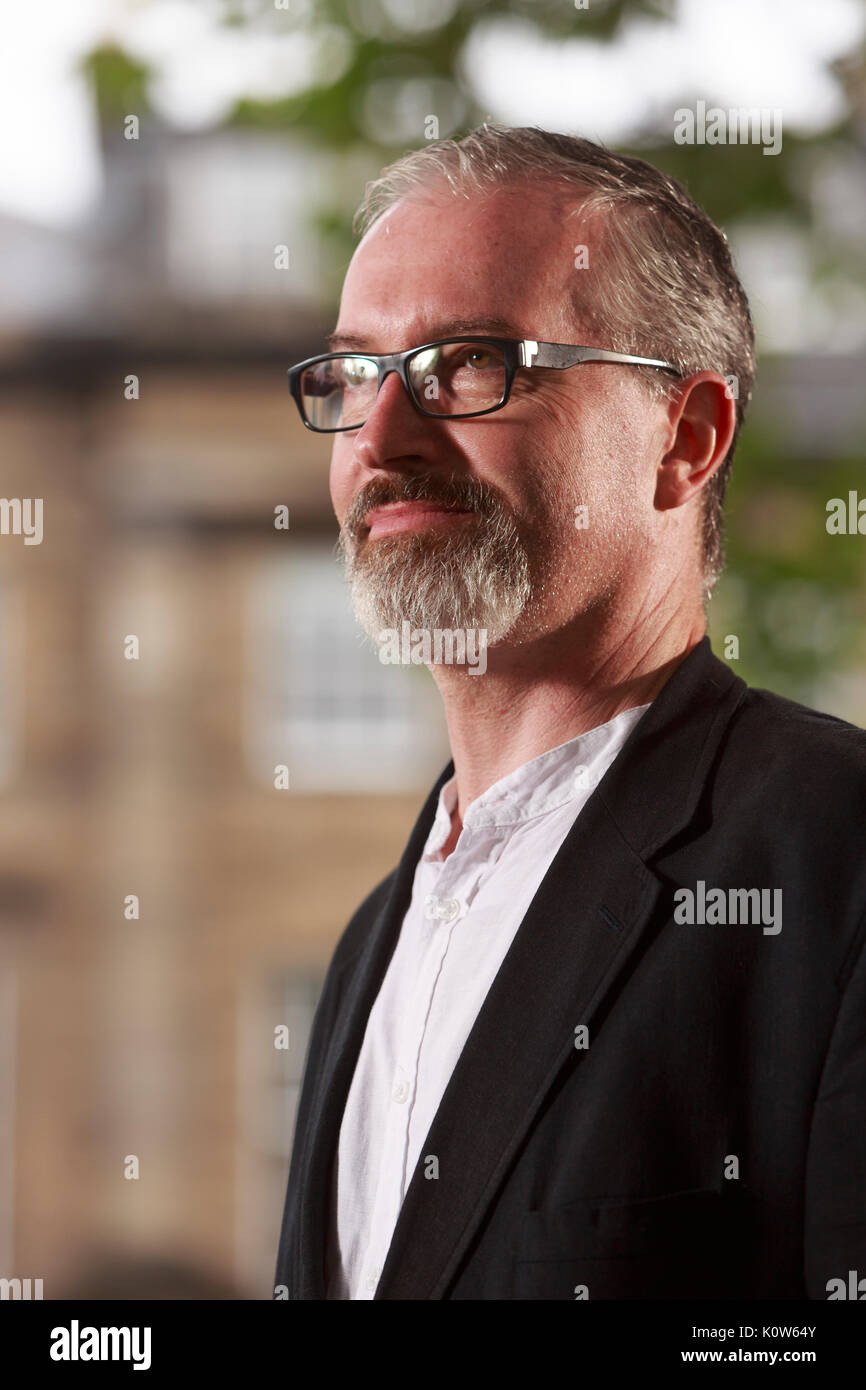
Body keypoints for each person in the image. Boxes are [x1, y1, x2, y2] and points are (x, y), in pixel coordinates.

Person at [274, 126, 866, 1300]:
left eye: (467, 365)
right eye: (354, 376)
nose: (382, 440)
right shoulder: (370, 945)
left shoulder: (835, 857)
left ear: (684, 438)